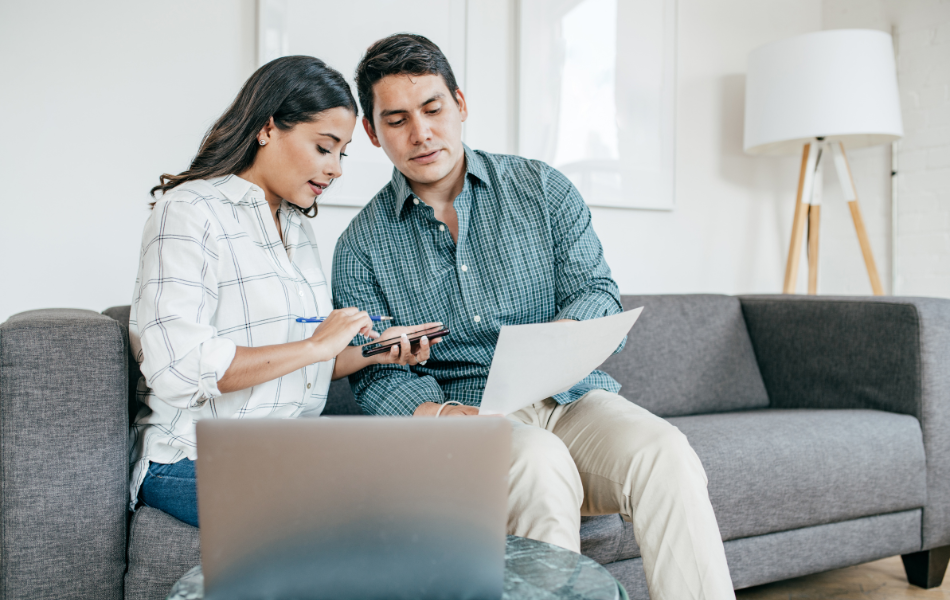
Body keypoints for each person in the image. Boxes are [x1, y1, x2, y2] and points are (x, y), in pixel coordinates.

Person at [332, 35, 735, 600]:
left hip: (574, 397)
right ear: (373, 134)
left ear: (461, 104)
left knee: (665, 453)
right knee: (540, 463)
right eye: (396, 120)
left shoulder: (542, 188)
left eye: (433, 109)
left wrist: (560, 340)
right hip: (468, 418)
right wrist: (444, 413)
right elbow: (374, 377)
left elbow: (596, 290)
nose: (421, 133)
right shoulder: (360, 248)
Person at [129, 55, 438, 527]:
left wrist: (376, 351)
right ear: (268, 128)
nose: (335, 169)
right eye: (324, 147)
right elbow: (178, 366)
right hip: (194, 459)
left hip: (287, 449)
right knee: (367, 515)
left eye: (342, 153)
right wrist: (315, 344)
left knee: (429, 482)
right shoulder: (189, 211)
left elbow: (304, 364)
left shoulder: (295, 225)